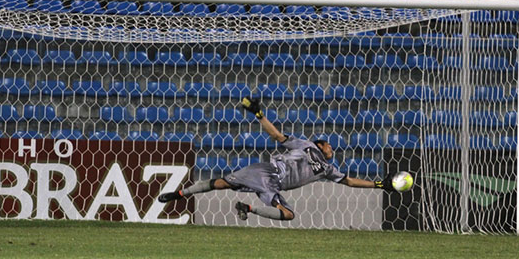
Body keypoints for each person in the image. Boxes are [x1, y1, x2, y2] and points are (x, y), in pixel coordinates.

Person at [158, 97, 396, 222]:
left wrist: (378, 184)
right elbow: (277, 136)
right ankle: (178, 194)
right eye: (328, 145)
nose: (331, 149)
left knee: (288, 214)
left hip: (273, 184)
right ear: (320, 145)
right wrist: (259, 115)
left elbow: (350, 181)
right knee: (219, 183)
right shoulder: (305, 144)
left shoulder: (327, 169)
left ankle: (248, 208)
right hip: (267, 172)